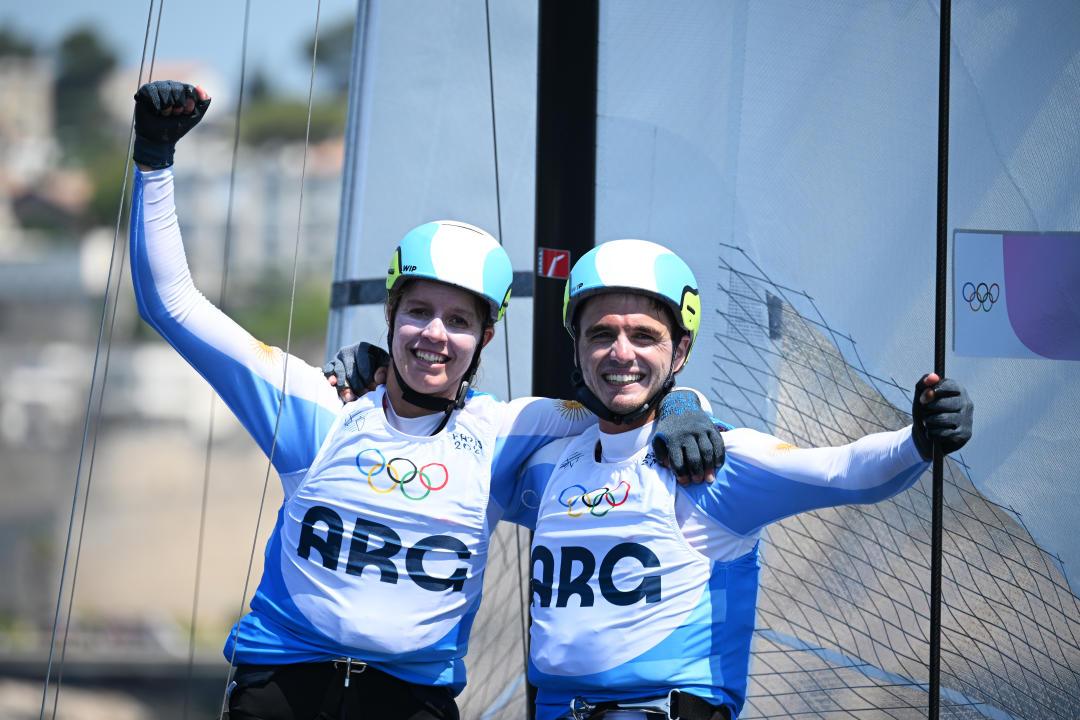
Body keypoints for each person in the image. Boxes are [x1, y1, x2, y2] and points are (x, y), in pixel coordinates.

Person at [127, 81, 722, 720]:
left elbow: (623, 396)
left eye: (458, 321)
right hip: (281, 688)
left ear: (485, 337)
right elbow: (175, 306)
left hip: (412, 702)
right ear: (390, 317)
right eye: (418, 312)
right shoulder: (319, 410)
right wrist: (154, 159)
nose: (435, 335)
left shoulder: (506, 433)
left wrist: (687, 402)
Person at [509, 239, 973, 720]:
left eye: (645, 337)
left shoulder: (716, 462)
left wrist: (918, 437)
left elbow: (846, 471)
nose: (620, 353)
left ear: (681, 350)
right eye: (601, 334)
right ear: (578, 346)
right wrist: (682, 400)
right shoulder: (549, 465)